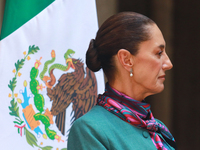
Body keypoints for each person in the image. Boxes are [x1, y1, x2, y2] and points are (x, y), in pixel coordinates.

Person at [67, 12, 177, 150]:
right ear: (126, 59)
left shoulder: (158, 129)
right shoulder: (90, 129)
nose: (168, 63)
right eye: (159, 53)